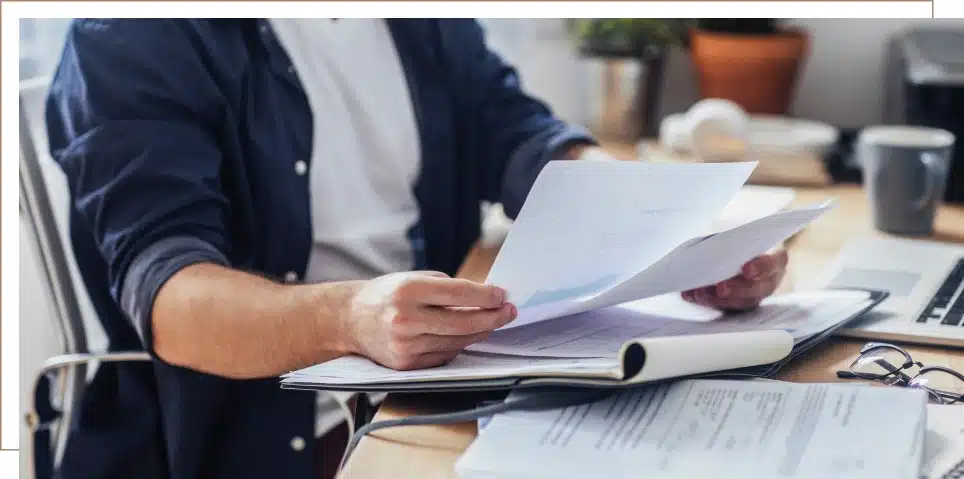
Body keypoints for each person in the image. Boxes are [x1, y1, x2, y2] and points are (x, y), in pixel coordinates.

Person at [44, 18, 789, 479]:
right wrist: (351, 317)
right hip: (272, 429)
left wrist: (660, 219)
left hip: (444, 377)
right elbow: (174, 299)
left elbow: (515, 130)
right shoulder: (135, 32)